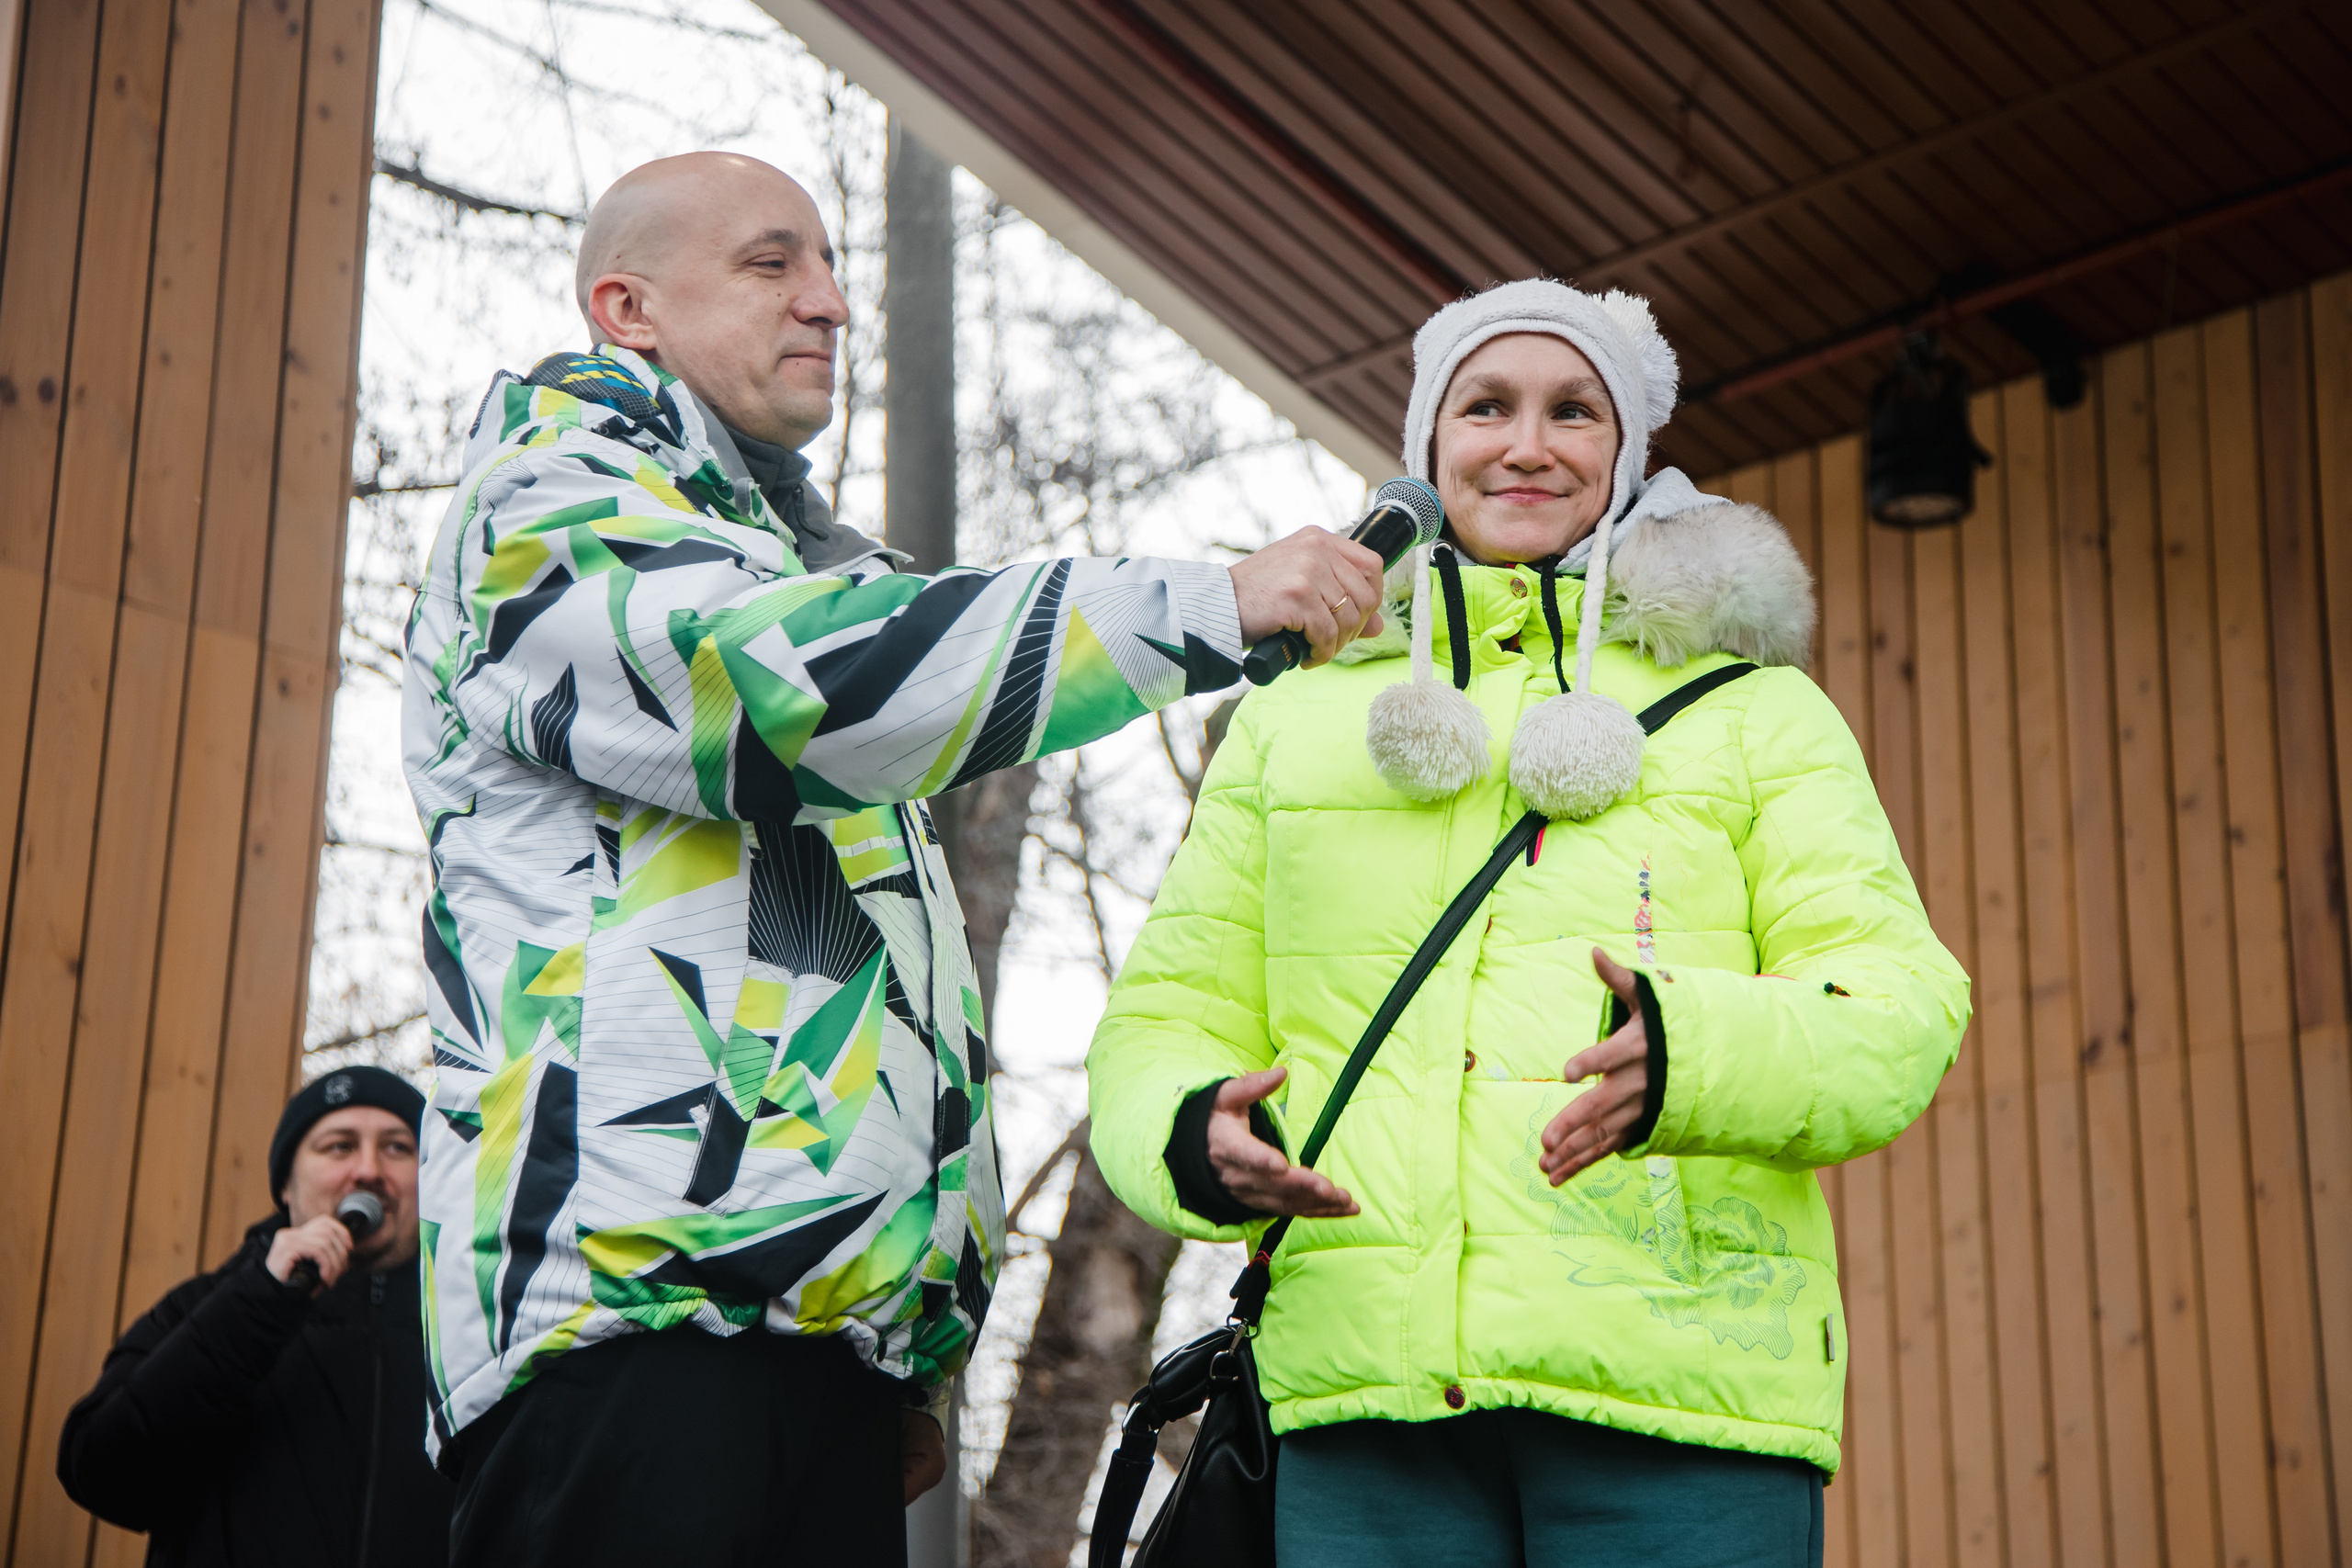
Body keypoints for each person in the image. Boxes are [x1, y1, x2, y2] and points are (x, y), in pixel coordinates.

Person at [402, 150, 1385, 1567]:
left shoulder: (798, 567)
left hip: (822, 1368)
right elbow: (788, 687)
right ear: (627, 306)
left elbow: (866, 993)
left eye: (831, 263)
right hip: (631, 1335)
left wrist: (918, 1343)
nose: (832, 302)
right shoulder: (546, 514)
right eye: (771, 261)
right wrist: (1206, 603)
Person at [1087, 278, 1971, 1567]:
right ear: (1427, 442)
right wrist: (1191, 1129)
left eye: (1575, 410)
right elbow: (1165, 1017)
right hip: (1363, 1401)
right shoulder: (1292, 716)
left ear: (1626, 453)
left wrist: (1687, 1054)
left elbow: (1899, 1006)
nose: (1528, 442)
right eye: (1486, 405)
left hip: (1685, 1398)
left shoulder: (1755, 711)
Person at [59, 1066, 448, 1567]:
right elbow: (101, 1472)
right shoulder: (204, 1307)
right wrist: (261, 1301)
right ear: (286, 1186)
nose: (369, 1170)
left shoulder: (472, 1336)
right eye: (339, 1146)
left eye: (399, 1148)